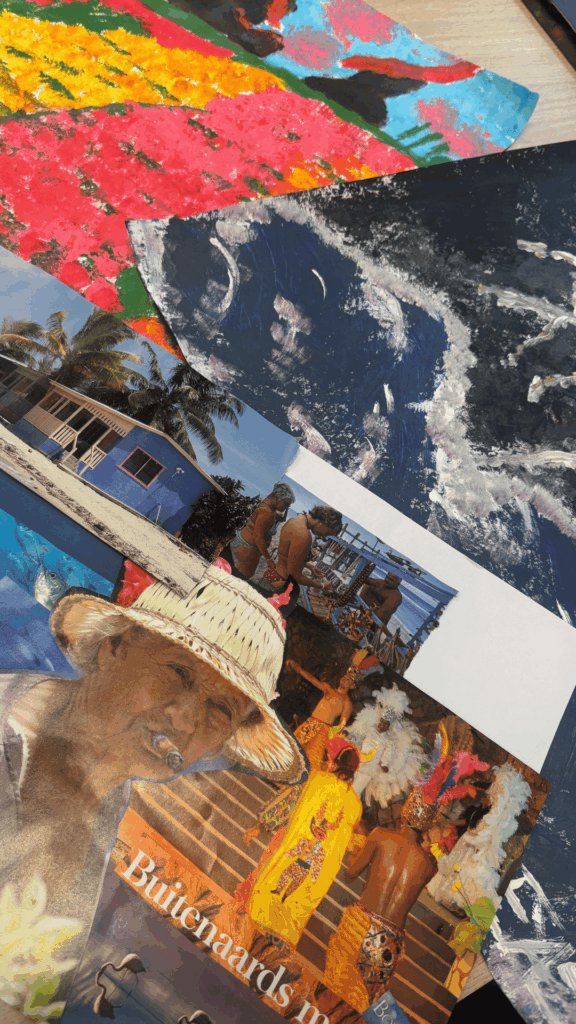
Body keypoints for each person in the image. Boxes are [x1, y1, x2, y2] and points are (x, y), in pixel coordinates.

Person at [0, 564, 305, 935]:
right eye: (178, 671)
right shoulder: (10, 726)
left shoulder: (108, 806)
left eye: (221, 709)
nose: (185, 721)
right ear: (114, 647)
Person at [323, 794, 437, 1012]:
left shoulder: (380, 835)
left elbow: (351, 874)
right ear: (427, 826)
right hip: (389, 941)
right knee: (358, 1004)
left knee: (333, 990)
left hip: (360, 925)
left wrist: (357, 848)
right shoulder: (428, 867)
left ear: (405, 813)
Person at [248, 740, 362, 947]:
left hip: (287, 851)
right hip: (316, 876)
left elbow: (286, 801)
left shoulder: (316, 779)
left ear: (335, 762)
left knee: (261, 906)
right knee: (291, 911)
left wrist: (261, 824)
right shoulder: (356, 806)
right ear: (354, 772)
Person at [285, 658, 355, 771]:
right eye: (344, 677)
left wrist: (333, 736)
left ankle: (307, 780)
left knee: (313, 760)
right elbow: (313, 680)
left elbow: (342, 723)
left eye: (348, 680)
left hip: (323, 730)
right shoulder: (328, 689)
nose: (344, 680)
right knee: (291, 747)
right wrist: (299, 669)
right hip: (310, 723)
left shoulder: (347, 702)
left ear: (352, 686)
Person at [225, 482, 295, 580]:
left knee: (230, 576)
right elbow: (258, 537)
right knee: (237, 579)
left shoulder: (266, 505)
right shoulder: (267, 513)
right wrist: (268, 559)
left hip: (243, 542)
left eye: (288, 506)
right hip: (248, 548)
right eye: (286, 504)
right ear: (276, 497)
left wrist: (284, 510)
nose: (286, 507)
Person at [272, 505, 343, 595]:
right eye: (327, 533)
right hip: (280, 583)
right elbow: (295, 575)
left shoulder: (294, 520)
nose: (324, 537)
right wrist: (321, 585)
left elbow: (287, 556)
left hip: (274, 575)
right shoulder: (304, 535)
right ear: (324, 522)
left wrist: (310, 567)